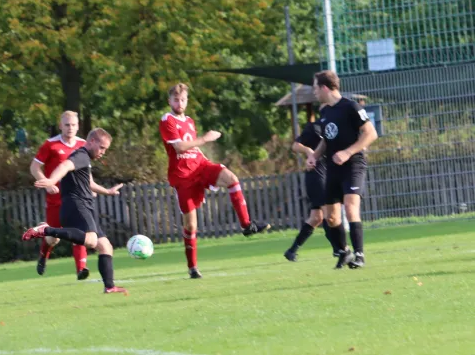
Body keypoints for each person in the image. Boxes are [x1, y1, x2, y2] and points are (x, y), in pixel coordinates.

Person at [159, 83, 271, 279]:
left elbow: (192, 147)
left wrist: (204, 156)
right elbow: (179, 147)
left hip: (200, 166)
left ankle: (246, 225)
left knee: (232, 179)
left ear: (187, 101)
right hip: (183, 176)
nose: (179, 103)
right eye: (176, 99)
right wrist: (205, 139)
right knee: (191, 226)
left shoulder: (190, 121)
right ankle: (192, 267)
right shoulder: (167, 120)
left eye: (183, 99)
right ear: (169, 101)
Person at [23, 128, 128, 294]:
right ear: (91, 141)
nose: (103, 152)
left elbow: (89, 183)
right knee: (92, 241)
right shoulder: (81, 155)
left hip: (86, 206)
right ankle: (45, 230)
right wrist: (51, 180)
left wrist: (107, 191)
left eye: (105, 149)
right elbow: (64, 165)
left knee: (105, 246)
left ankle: (109, 286)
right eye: (102, 147)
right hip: (76, 205)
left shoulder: (85, 159)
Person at [307, 70, 378, 269]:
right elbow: (326, 140)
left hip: (353, 165)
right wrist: (314, 155)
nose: (314, 92)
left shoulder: (351, 107)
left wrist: (347, 152)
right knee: (331, 217)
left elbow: (371, 133)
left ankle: (360, 255)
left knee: (350, 207)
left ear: (324, 88)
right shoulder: (325, 111)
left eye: (315, 88)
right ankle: (345, 252)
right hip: (333, 168)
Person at [284, 108, 338, 262]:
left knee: (316, 218)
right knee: (329, 215)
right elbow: (295, 146)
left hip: (327, 174)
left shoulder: (336, 128)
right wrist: (308, 151)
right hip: (316, 176)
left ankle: (292, 250)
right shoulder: (314, 128)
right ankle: (339, 249)